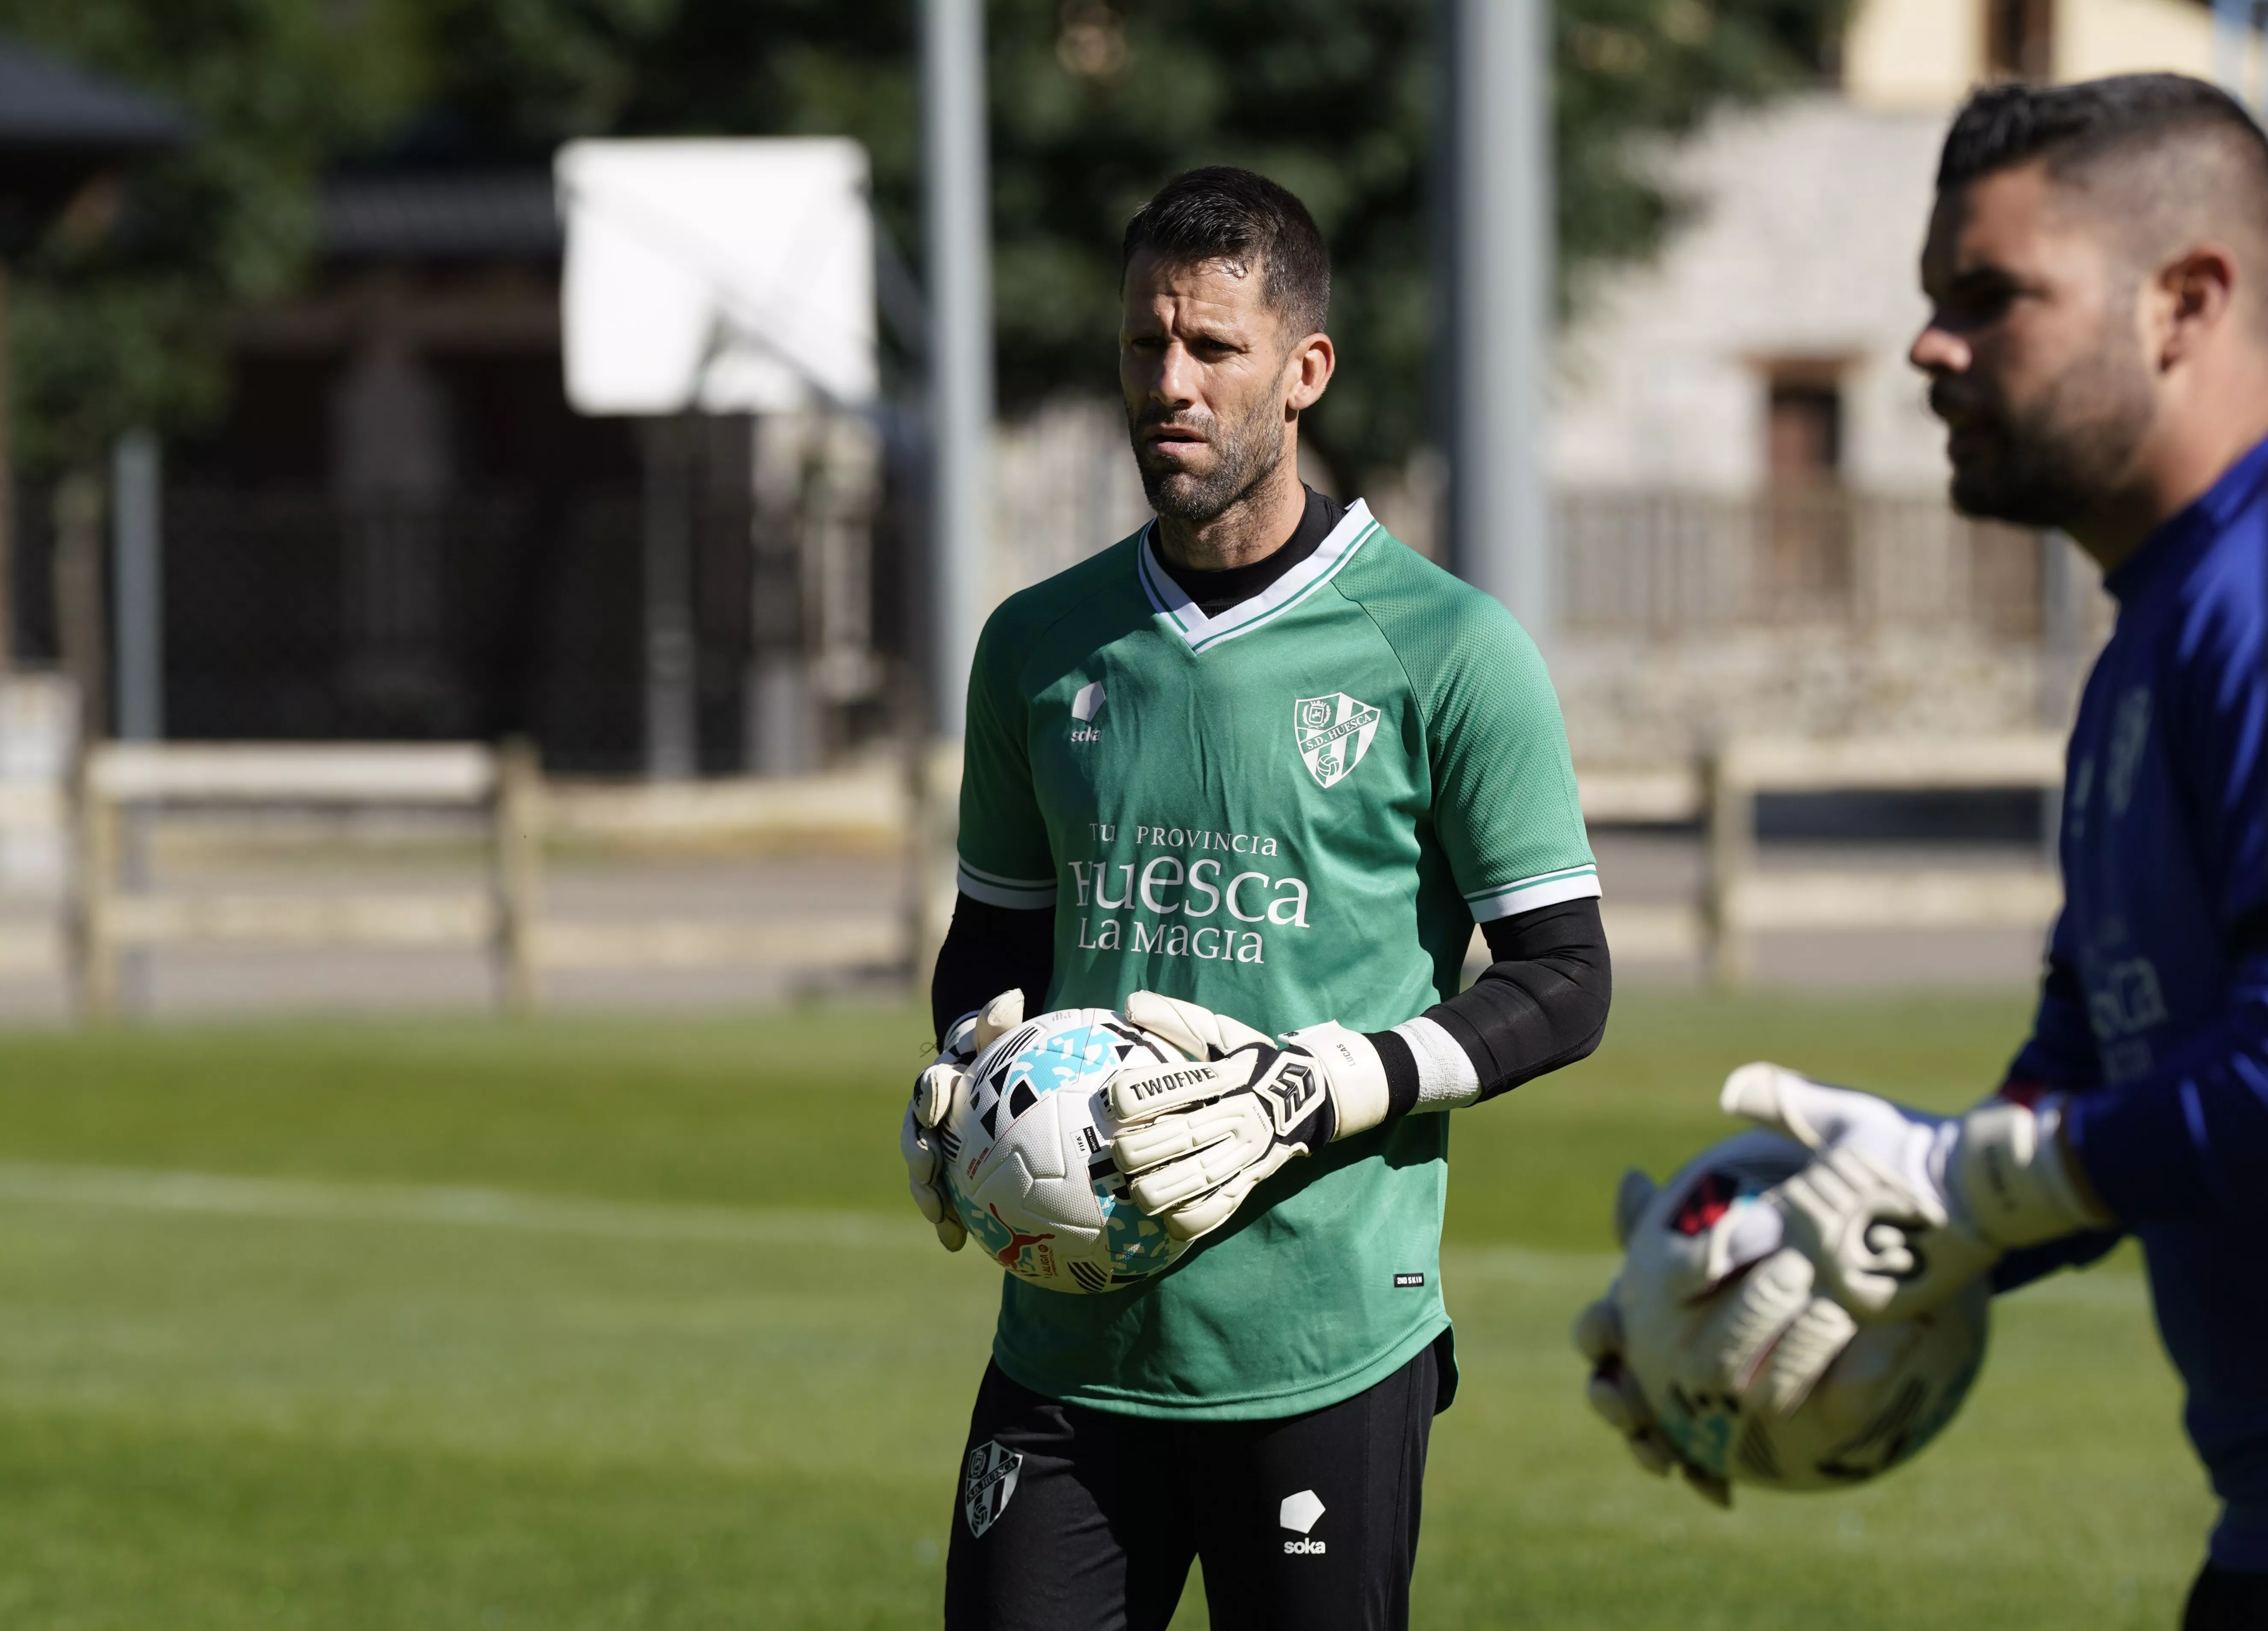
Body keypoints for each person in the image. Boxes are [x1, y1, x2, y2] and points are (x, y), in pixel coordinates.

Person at [1577, 75, 2268, 1629]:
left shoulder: (2253, 605)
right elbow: (2081, 1097)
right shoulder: (2147, 650)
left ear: (2186, 302)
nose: (1927, 348)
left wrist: (1979, 1181)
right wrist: (1758, 1255)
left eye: (1990, 296)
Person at [899, 166, 1612, 1631]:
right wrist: (968, 1068)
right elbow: (995, 936)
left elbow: (1565, 976)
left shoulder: (1449, 648)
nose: (1170, 383)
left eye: (1214, 348)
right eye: (1144, 343)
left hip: (1322, 1346)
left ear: (1305, 372)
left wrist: (1331, 1083)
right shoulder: (1036, 645)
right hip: (1068, 1333)